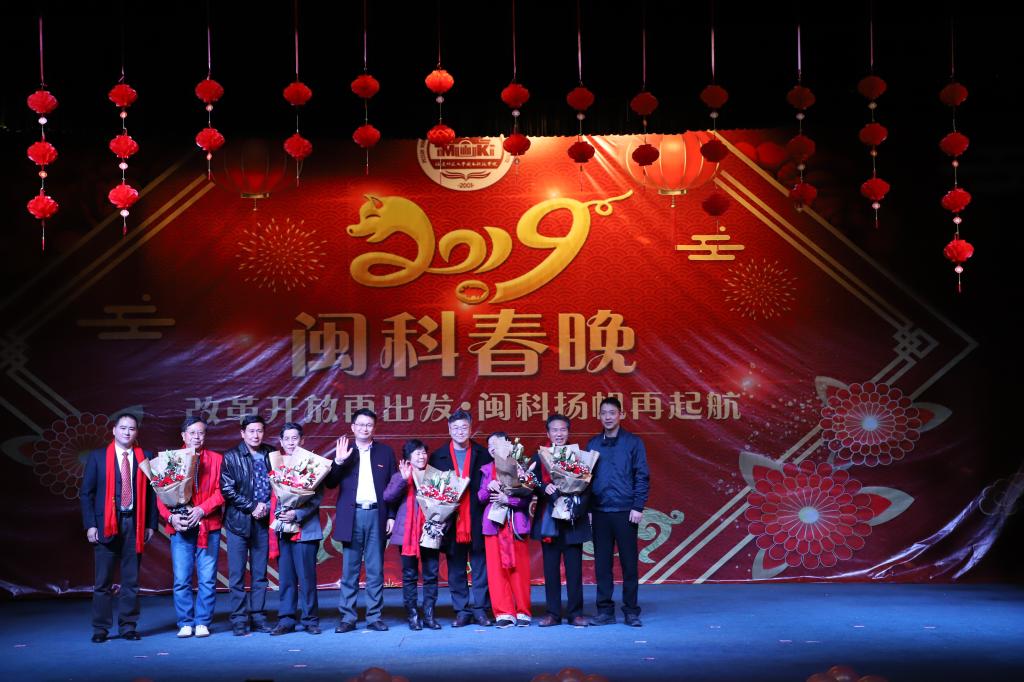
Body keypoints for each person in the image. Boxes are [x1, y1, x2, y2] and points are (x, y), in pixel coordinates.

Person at [79, 412, 157, 643]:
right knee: (102, 581)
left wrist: (151, 524)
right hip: (105, 523)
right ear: (114, 430)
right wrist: (90, 525)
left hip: (135, 522)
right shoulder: (98, 457)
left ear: (136, 432)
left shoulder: (145, 457)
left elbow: (153, 494)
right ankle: (101, 629)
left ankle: (128, 626)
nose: (127, 432)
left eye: (131, 428)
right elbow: (86, 493)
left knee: (131, 580)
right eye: (123, 428)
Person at [323, 408, 398, 633]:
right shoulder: (344, 451)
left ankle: (374, 616)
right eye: (361, 424)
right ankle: (348, 617)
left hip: (377, 514)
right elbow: (330, 483)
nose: (365, 428)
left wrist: (391, 515)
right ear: (353, 427)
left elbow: (394, 487)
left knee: (375, 569)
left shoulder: (385, 452)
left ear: (374, 428)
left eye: (369, 425)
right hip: (352, 515)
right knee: (350, 569)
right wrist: (338, 461)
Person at [428, 409, 495, 627]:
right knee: (455, 568)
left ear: (470, 428)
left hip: (477, 517)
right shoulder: (438, 456)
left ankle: (481, 610)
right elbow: (431, 490)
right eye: (455, 428)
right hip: (451, 520)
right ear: (449, 430)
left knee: (480, 567)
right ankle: (461, 611)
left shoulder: (482, 454)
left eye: (464, 427)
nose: (459, 431)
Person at [586, 397, 650, 627]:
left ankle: (631, 611)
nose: (608, 417)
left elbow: (642, 476)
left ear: (621, 415)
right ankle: (605, 611)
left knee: (629, 564)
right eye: (604, 413)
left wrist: (638, 506)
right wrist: (589, 508)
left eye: (612, 412)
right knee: (602, 565)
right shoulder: (593, 444)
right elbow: (586, 478)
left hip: (625, 511)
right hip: (600, 511)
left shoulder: (633, 443)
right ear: (599, 416)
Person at [159, 416, 223, 639]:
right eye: (192, 433)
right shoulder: (170, 459)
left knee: (207, 578)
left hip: (208, 525)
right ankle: (185, 622)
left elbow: (222, 492)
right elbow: (160, 494)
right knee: (181, 579)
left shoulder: (216, 459)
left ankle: (203, 621)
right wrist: (171, 518)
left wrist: (202, 510)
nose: (197, 437)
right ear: (183, 435)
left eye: (201, 433)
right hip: (181, 526)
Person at [532, 413, 591, 628]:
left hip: (573, 521)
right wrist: (543, 487)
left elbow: (588, 487)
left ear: (568, 432)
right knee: (550, 570)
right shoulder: (539, 456)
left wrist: (576, 505)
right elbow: (528, 481)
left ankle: (576, 613)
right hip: (550, 521)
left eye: (563, 429)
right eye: (554, 430)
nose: (559, 433)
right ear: (548, 433)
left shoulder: (579, 457)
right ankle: (553, 613)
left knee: (574, 570)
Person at [220, 414, 274, 636]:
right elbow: (227, 489)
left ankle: (259, 617)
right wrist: (252, 506)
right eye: (251, 431)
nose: (255, 435)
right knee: (237, 575)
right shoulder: (231, 457)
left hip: (264, 522)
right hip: (238, 523)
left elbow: (280, 484)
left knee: (260, 574)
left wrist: (267, 506)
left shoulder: (272, 454)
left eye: (259, 430)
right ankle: (239, 619)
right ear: (242, 433)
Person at [270, 423, 324, 636]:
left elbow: (316, 499)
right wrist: (282, 515)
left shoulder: (313, 464)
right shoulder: (276, 464)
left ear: (302, 440)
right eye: (287, 439)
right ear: (281, 442)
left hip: (305, 530)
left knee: (307, 578)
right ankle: (286, 620)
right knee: (286, 578)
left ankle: (310, 620)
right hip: (283, 528)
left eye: (295, 438)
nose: (291, 442)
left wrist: (297, 514)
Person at [382, 439, 442, 631]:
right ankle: (413, 615)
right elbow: (388, 497)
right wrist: (402, 479)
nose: (422, 456)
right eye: (417, 453)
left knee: (431, 574)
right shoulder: (400, 475)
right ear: (408, 457)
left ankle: (429, 615)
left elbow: (444, 502)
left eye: (424, 452)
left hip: (430, 530)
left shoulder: (435, 476)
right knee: (409, 575)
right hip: (407, 533)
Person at [479, 432, 535, 628]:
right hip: (494, 526)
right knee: (496, 571)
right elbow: (480, 497)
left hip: (515, 524)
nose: (494, 448)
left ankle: (523, 611)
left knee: (520, 570)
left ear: (510, 447)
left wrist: (508, 499)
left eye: (498, 444)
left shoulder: (521, 467)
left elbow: (527, 498)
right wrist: (488, 487)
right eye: (491, 446)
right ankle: (504, 613)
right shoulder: (486, 469)